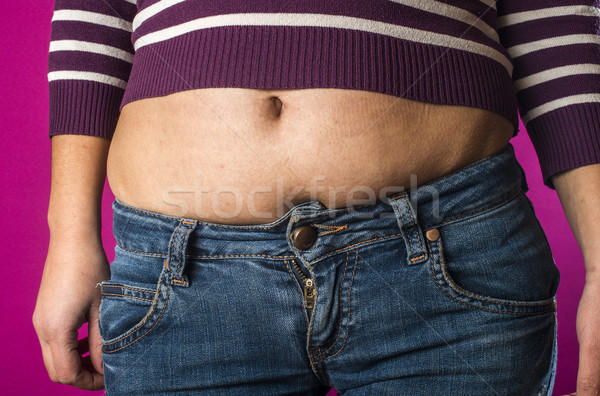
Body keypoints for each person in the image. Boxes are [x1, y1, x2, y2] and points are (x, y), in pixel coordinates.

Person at [33, 0, 600, 395]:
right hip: (182, 275)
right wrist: (70, 236)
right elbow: (98, 16)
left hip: (445, 261)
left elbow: (553, 25)